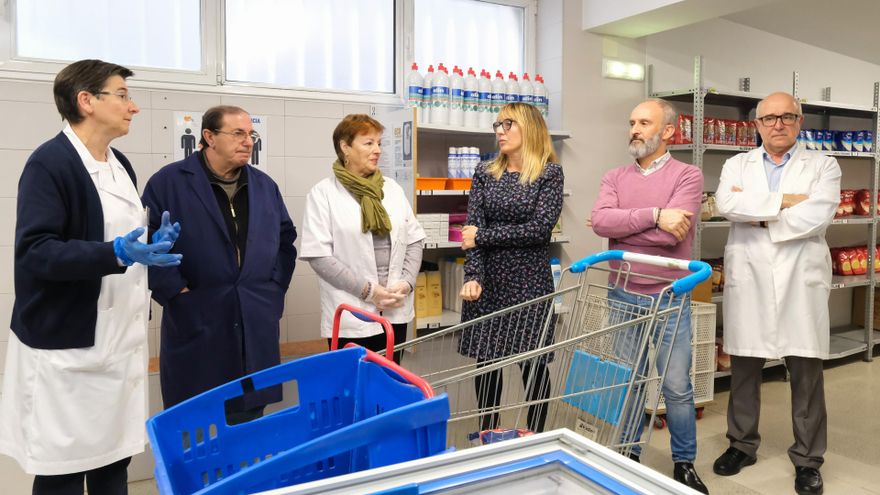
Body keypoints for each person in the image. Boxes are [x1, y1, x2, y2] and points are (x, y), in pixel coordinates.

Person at [0, 59, 182, 495]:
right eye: (121, 95)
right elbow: (36, 252)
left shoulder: (118, 162)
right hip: (69, 348)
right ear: (86, 101)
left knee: (112, 463)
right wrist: (115, 252)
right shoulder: (51, 163)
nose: (133, 107)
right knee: (63, 470)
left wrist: (151, 241)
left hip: (119, 344)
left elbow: (113, 230)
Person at [712, 92, 839, 495]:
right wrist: (783, 204)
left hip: (800, 277)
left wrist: (760, 217)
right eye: (769, 118)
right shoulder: (737, 164)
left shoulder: (824, 165)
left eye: (786, 116)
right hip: (749, 273)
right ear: (757, 124)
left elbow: (819, 213)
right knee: (745, 366)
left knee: (806, 371)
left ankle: (807, 458)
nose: (777, 124)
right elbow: (727, 203)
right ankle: (742, 445)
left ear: (799, 121)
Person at [141, 105, 297, 424]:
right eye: (237, 133)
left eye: (250, 134)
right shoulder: (168, 183)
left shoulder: (264, 187)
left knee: (250, 421)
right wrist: (177, 293)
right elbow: (146, 247)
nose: (247, 141)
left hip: (254, 317)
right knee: (197, 421)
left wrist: (273, 289)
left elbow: (286, 241)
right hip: (197, 318)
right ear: (209, 137)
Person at [589, 98, 708, 494]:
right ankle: (628, 456)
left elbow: (676, 235)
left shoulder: (688, 176)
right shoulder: (614, 176)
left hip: (669, 297)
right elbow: (601, 222)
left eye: (644, 122)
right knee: (628, 381)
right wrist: (656, 215)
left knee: (676, 386)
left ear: (668, 132)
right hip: (622, 293)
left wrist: (625, 230)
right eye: (632, 122)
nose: (635, 130)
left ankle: (684, 462)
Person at [457, 102, 564, 434]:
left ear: (529, 128)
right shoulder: (484, 172)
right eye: (497, 125)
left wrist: (484, 237)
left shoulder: (549, 173)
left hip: (528, 280)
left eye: (508, 125)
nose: (500, 132)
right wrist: (473, 276)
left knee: (532, 365)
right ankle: (488, 433)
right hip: (488, 281)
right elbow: (470, 231)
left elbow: (539, 231)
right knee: (487, 363)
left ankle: (536, 436)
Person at [300, 114, 424, 364]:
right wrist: (369, 291)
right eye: (368, 143)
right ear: (345, 147)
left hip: (394, 306)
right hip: (351, 311)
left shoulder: (392, 189)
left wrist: (407, 283)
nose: (377, 150)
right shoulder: (323, 193)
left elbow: (414, 240)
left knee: (391, 378)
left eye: (379, 143)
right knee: (353, 384)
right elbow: (319, 256)